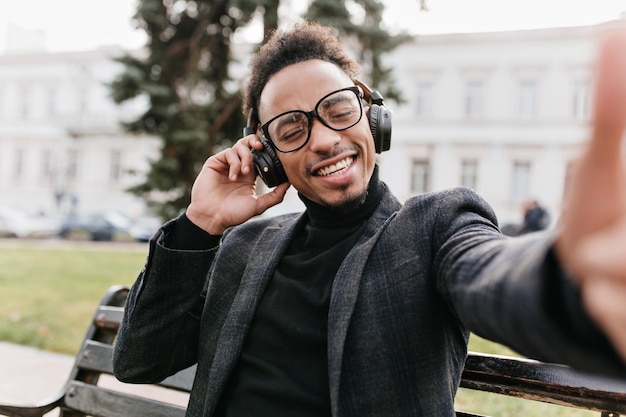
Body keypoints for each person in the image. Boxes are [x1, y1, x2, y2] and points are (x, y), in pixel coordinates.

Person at [113, 22, 626, 417]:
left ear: (372, 116)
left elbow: (496, 276)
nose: (324, 139)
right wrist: (199, 225)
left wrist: (574, 284)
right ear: (266, 157)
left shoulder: (433, 228)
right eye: (291, 128)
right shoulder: (244, 245)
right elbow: (139, 359)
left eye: (338, 110)